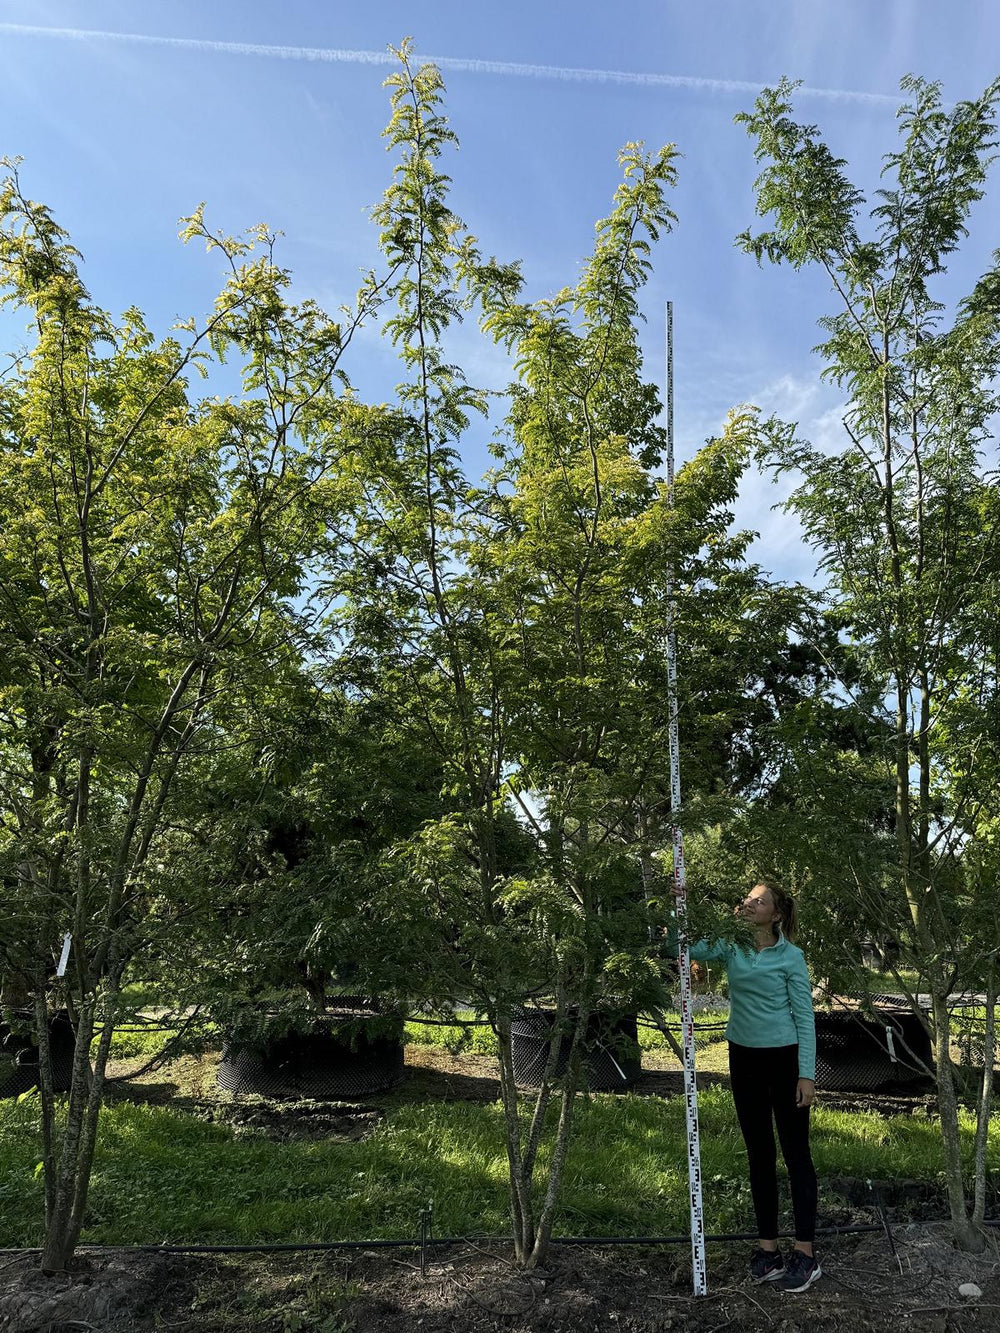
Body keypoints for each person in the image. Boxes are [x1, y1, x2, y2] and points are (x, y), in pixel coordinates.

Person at [676, 880, 820, 1293]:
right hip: (743, 1058)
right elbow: (682, 944)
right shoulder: (731, 945)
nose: (748, 904)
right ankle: (768, 1250)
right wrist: (677, 905)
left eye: (759, 901)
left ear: (775, 914)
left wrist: (806, 1074)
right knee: (759, 1153)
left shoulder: (792, 957)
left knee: (796, 1155)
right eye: (747, 898)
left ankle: (806, 1254)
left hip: (785, 1060)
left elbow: (805, 1017)